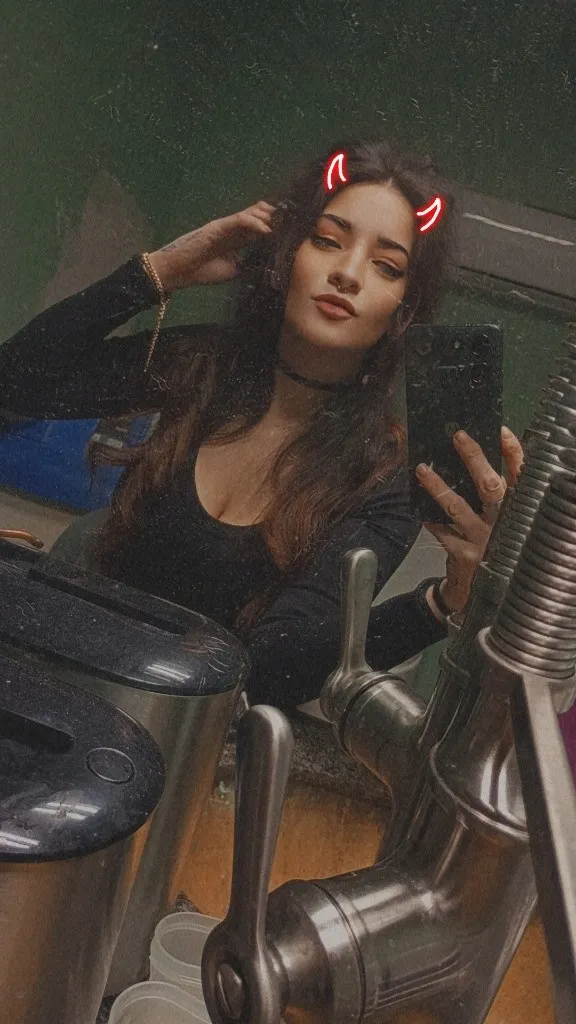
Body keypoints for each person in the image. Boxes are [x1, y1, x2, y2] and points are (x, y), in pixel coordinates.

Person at [0, 137, 522, 709]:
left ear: (405, 310)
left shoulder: (381, 475)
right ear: (286, 256)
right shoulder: (204, 367)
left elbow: (274, 667)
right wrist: (158, 272)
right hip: (50, 690)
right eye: (327, 240)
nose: (348, 273)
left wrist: (441, 605)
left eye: (386, 266)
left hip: (174, 738)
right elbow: (18, 382)